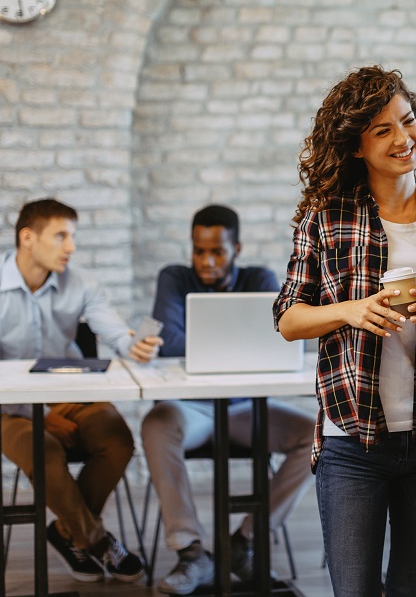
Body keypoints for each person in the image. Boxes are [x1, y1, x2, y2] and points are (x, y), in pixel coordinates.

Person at [274, 66, 416, 597]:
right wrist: (351, 311)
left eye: (408, 122)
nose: (403, 138)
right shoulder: (326, 219)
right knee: (355, 589)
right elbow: (288, 319)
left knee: (414, 585)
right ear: (356, 148)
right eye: (383, 129)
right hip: (352, 440)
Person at [0, 198, 157, 584]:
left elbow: (114, 332)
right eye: (61, 236)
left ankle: (66, 532)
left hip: (71, 392)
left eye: (73, 236)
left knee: (117, 439)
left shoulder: (81, 283)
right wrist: (43, 417)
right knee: (43, 448)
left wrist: (135, 345)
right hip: (9, 404)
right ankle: (97, 540)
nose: (71, 247)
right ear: (28, 238)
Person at [140, 204, 316, 595]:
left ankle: (244, 543)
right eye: (199, 250)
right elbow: (169, 343)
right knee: (156, 424)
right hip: (191, 407)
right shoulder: (174, 277)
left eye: (217, 251)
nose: (206, 261)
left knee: (314, 433)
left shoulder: (259, 278)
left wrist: (208, 345)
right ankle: (190, 551)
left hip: (244, 408)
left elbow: (275, 341)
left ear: (236, 248)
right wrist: (238, 346)